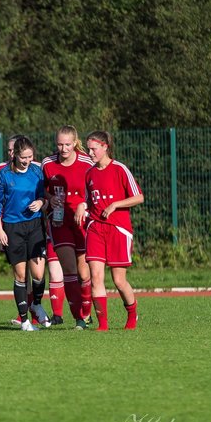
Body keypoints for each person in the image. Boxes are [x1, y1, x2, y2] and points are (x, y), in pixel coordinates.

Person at [80, 130, 144, 330]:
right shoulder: (89, 173)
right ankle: (103, 325)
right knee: (96, 276)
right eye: (88, 149)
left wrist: (115, 204)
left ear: (105, 147)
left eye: (94, 149)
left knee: (118, 280)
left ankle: (132, 316)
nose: (90, 153)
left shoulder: (119, 169)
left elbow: (138, 197)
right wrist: (83, 208)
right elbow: (89, 201)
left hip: (118, 229)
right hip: (95, 229)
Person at [0, 135, 49, 331]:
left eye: (30, 157)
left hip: (34, 226)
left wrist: (40, 202)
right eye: (24, 157)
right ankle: (24, 321)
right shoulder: (4, 175)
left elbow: (43, 196)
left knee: (39, 274)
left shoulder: (37, 173)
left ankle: (37, 304)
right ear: (15, 155)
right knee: (21, 275)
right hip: (12, 227)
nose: (27, 161)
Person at [42, 126, 95, 329]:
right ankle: (78, 318)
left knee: (84, 273)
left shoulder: (86, 162)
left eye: (67, 144)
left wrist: (84, 204)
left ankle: (87, 312)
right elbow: (42, 190)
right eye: (59, 144)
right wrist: (50, 198)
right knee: (69, 270)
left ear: (74, 143)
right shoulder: (48, 164)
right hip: (58, 221)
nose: (63, 148)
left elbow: (95, 189)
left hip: (81, 221)